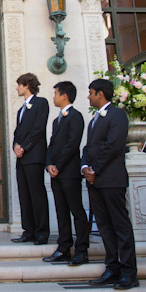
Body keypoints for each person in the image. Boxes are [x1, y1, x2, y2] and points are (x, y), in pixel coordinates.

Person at [83, 78, 137, 288]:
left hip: (111, 179)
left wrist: (94, 169)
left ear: (100, 94)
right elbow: (88, 148)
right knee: (104, 226)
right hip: (95, 181)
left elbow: (113, 146)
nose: (88, 96)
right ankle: (112, 268)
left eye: (90, 92)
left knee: (120, 226)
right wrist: (84, 167)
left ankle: (129, 272)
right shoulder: (94, 118)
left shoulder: (117, 115)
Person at [42, 81, 89, 266]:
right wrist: (48, 165)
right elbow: (52, 144)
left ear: (64, 96)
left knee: (76, 211)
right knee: (61, 212)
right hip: (56, 173)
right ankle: (63, 248)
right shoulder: (56, 120)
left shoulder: (76, 117)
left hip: (69, 173)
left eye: (55, 93)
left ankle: (82, 250)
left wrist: (58, 165)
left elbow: (72, 145)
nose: (53, 97)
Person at [11, 73, 50, 245]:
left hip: (34, 156)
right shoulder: (21, 110)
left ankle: (42, 232)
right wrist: (15, 146)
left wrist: (24, 146)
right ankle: (28, 231)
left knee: (37, 195)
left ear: (27, 85)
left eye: (18, 85)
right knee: (24, 195)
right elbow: (17, 132)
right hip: (21, 158)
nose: (17, 88)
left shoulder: (41, 103)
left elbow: (38, 128)